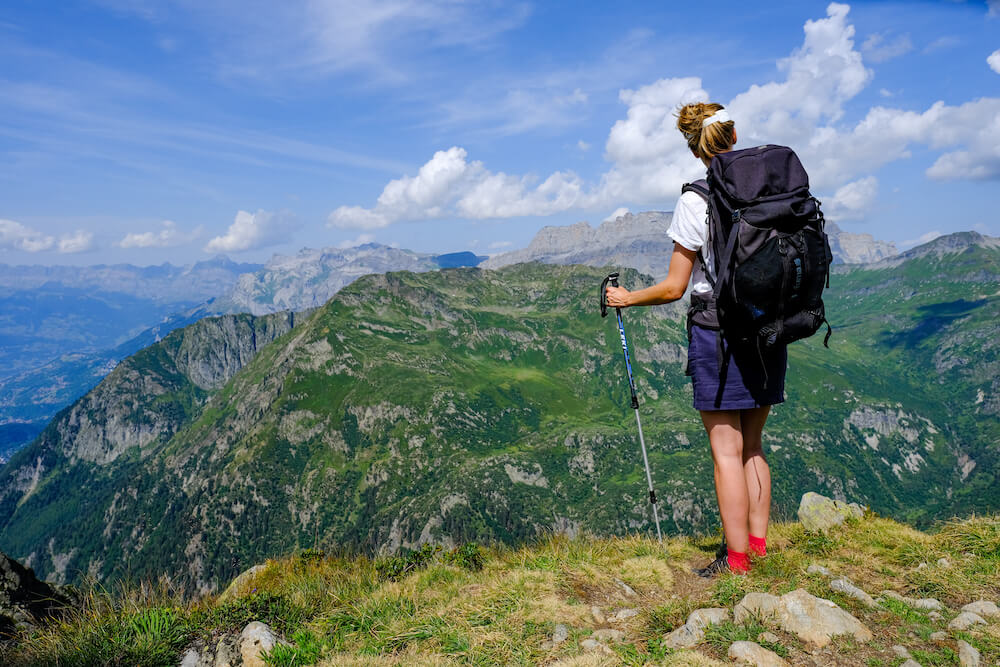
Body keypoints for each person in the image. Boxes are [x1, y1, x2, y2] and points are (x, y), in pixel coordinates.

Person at [604, 102, 786, 576]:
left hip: (720, 333)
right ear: (734, 134)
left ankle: (737, 562)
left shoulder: (696, 200)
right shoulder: (770, 189)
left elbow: (674, 287)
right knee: (753, 446)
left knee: (726, 452)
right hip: (769, 329)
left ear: (693, 147)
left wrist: (626, 298)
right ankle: (759, 547)